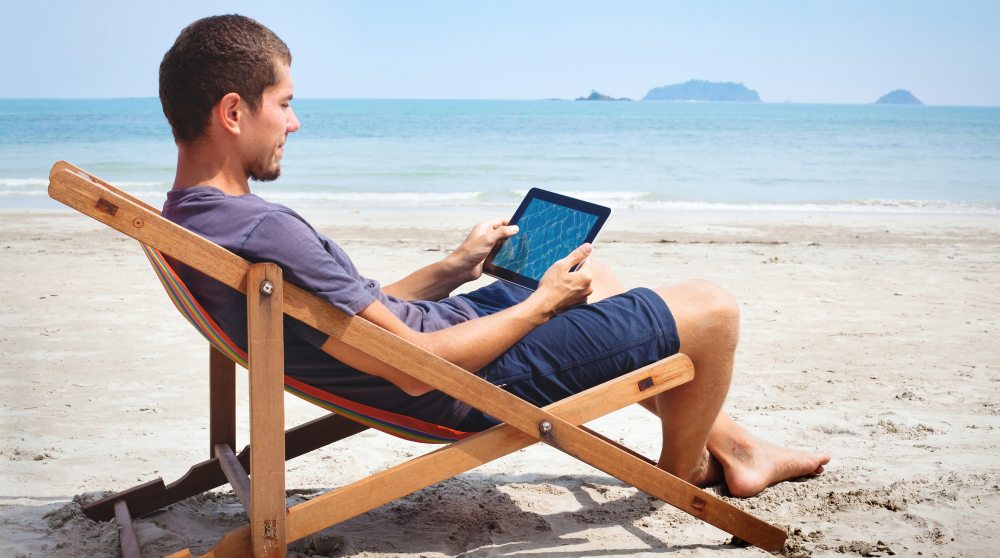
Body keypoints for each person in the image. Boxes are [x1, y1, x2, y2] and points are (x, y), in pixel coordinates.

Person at [159, 14, 829, 497]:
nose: (295, 123)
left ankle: (737, 447)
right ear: (233, 112)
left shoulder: (197, 218)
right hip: (465, 382)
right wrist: (540, 306)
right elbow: (416, 373)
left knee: (596, 275)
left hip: (440, 343)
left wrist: (455, 266)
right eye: (285, 104)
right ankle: (683, 471)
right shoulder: (266, 230)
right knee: (713, 309)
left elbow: (348, 319)